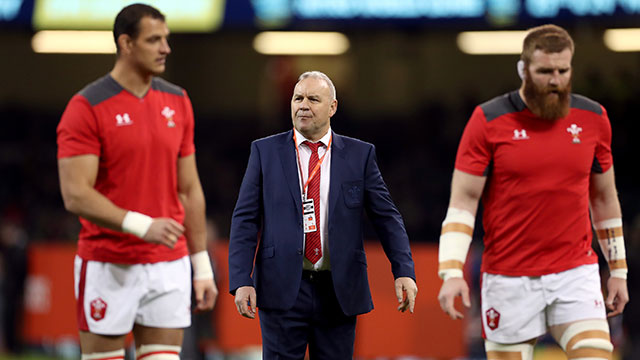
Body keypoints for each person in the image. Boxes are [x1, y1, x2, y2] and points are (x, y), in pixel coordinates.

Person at [437, 24, 629, 360]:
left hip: (575, 273)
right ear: (523, 70)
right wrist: (451, 271)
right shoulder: (488, 120)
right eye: (544, 71)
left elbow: (603, 198)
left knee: (597, 354)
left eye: (563, 70)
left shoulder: (594, 118)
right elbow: (463, 202)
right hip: (508, 278)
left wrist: (618, 271)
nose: (555, 80)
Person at [56, 4, 218, 360]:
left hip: (168, 263)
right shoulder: (87, 107)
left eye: (166, 39)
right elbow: (75, 194)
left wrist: (201, 264)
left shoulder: (178, 101)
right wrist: (141, 225)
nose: (165, 48)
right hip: (107, 263)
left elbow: (189, 188)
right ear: (126, 43)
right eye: (154, 40)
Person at [229, 71, 417, 359]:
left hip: (338, 291)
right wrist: (242, 279)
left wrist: (403, 270)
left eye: (313, 99)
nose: (303, 105)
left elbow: (387, 217)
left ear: (333, 107)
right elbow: (245, 219)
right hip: (281, 289)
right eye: (298, 98)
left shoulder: (360, 155)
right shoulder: (264, 151)